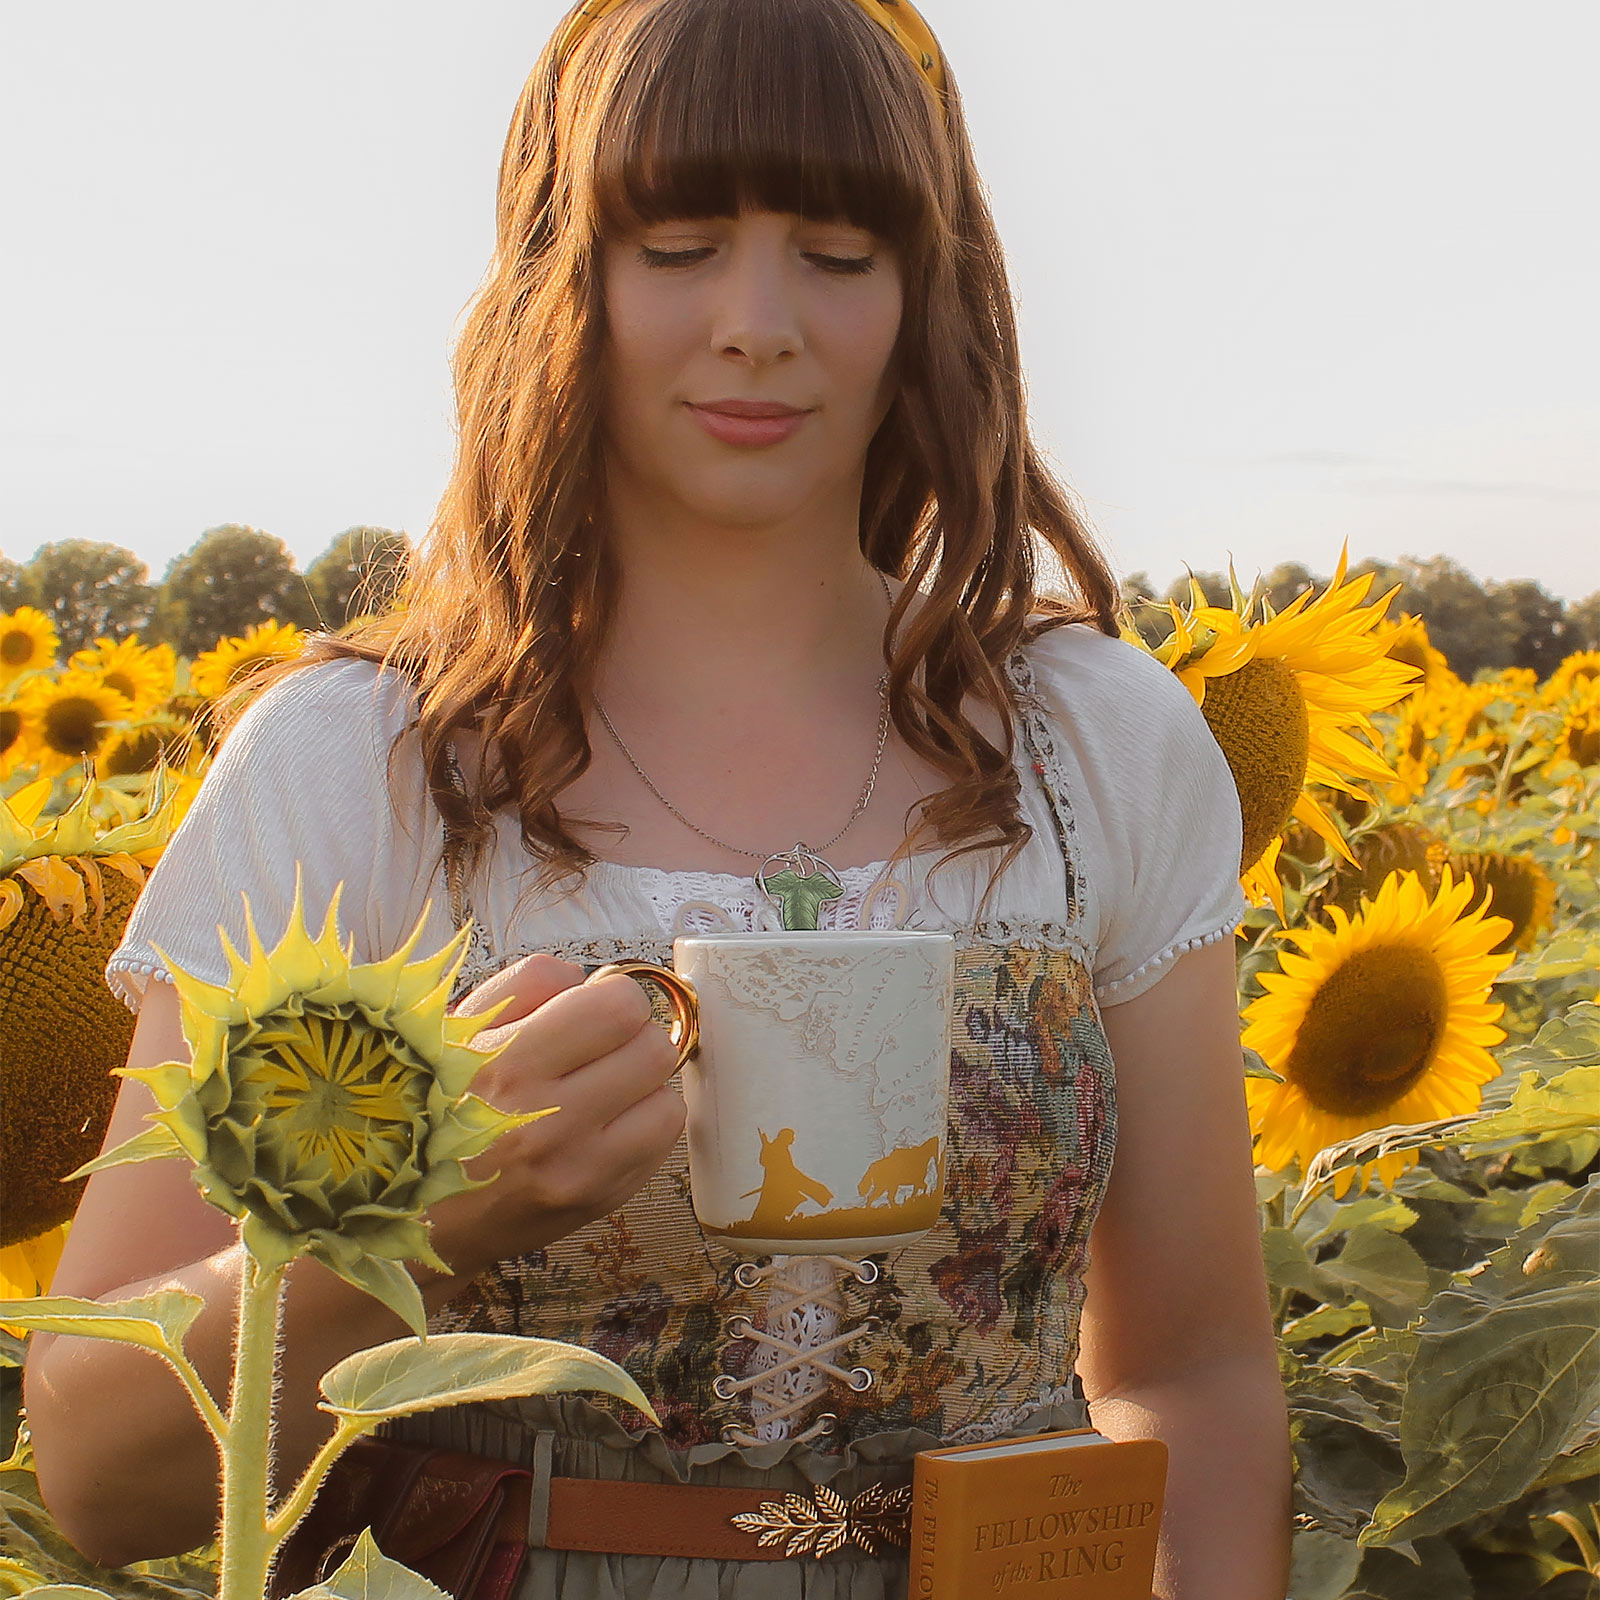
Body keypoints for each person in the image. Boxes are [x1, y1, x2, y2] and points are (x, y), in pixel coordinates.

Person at [24, 0, 1293, 1594]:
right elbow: (92, 1465)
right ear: (565, 276)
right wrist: (418, 1214)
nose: (761, 321)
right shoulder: (362, 768)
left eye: (838, 254)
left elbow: (1195, 1372)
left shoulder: (1095, 745)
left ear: (926, 296)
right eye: (680, 245)